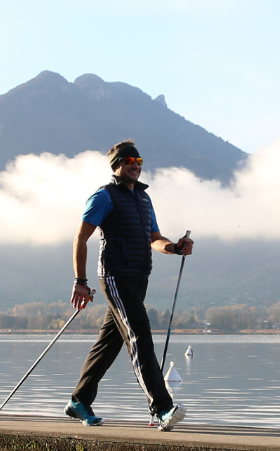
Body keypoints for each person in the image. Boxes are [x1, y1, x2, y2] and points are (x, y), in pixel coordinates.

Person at [66, 141, 193, 430]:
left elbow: (154, 238)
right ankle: (162, 408)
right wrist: (80, 281)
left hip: (139, 278)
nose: (135, 164)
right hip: (114, 276)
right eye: (128, 161)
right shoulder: (104, 197)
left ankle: (79, 400)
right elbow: (80, 239)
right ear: (116, 166)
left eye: (138, 159)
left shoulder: (144, 200)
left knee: (108, 344)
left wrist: (175, 247)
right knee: (140, 336)